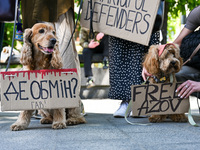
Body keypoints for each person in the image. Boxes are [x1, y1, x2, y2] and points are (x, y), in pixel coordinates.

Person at [21, 0, 86, 118]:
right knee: (36, 48)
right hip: (34, 4)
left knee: (66, 51)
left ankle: (72, 107)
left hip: (60, 4)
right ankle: (39, 105)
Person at [109, 0, 165, 118]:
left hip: (146, 12)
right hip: (120, 13)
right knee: (121, 53)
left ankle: (142, 101)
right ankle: (126, 101)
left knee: (143, 55)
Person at [142, 5, 200, 99]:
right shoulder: (197, 13)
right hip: (197, 67)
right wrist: (149, 63)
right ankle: (168, 110)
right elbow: (175, 44)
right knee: (175, 74)